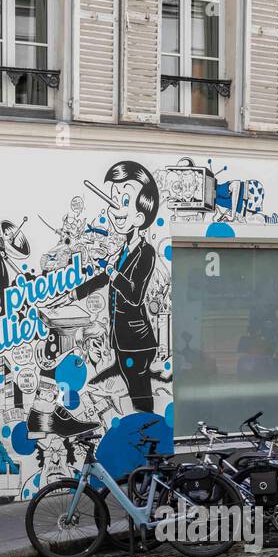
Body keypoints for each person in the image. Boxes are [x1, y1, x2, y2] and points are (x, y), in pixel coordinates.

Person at [74, 161, 161, 412]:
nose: (114, 208)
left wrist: (112, 272)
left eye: (123, 201)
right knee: (134, 391)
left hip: (137, 341)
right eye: (113, 200)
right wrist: (74, 294)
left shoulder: (146, 253)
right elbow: (104, 277)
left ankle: (149, 442)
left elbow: (134, 295)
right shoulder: (123, 249)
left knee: (140, 394)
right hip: (123, 340)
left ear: (140, 216)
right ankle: (144, 436)